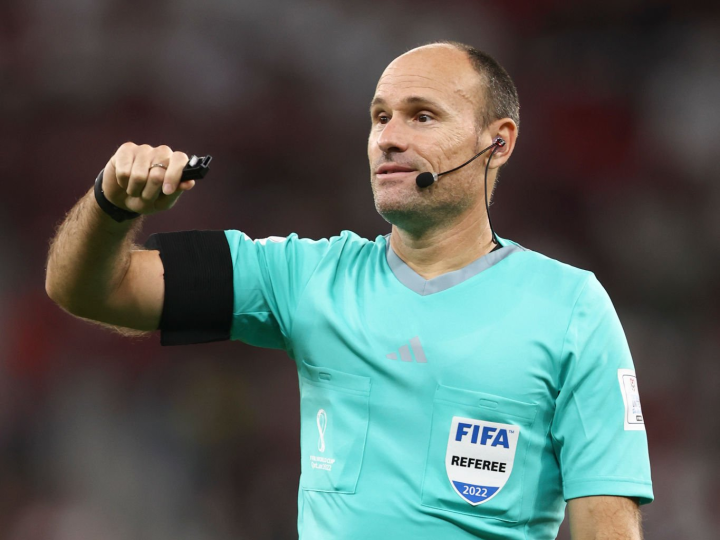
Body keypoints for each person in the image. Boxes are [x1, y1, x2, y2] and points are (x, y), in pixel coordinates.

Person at [45, 41, 653, 539]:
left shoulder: (569, 308)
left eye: (422, 116)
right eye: (380, 117)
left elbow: (607, 526)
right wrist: (110, 206)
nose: (388, 137)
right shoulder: (304, 277)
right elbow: (92, 291)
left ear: (498, 142)